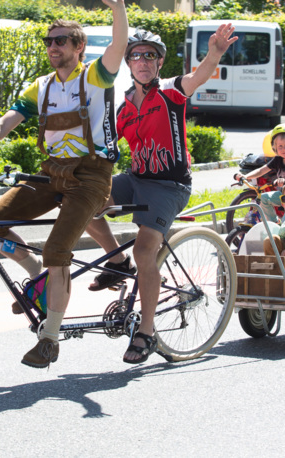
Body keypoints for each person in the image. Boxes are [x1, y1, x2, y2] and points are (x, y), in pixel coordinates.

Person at [0, 0, 128, 369]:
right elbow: (1, 125)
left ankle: (50, 337)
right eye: (49, 41)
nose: (53, 47)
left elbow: (118, 45)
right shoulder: (39, 87)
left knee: (58, 252)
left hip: (91, 176)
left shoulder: (94, 77)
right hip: (51, 172)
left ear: (78, 47)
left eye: (61, 41)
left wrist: (119, 9)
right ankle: (34, 276)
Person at [83, 24, 238, 364]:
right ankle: (116, 261)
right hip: (137, 177)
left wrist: (214, 53)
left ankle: (147, 331)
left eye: (149, 56)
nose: (142, 61)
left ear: (159, 62)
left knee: (145, 249)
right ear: (128, 63)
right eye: (136, 55)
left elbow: (198, 77)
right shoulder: (123, 106)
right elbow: (102, 146)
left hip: (170, 185)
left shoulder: (170, 91)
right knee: (83, 204)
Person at [232, 123, 285, 223]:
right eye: (280, 146)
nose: (284, 149)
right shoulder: (278, 160)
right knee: (263, 198)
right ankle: (274, 224)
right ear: (274, 148)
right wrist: (245, 176)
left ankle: (283, 231)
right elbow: (261, 170)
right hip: (283, 195)